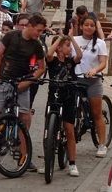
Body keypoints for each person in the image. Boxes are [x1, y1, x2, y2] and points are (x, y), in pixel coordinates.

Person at [0, 12, 46, 172]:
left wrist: (28, 81)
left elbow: (41, 68)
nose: (40, 34)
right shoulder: (11, 36)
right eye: (39, 30)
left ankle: (24, 156)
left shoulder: (36, 44)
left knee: (25, 118)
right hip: (4, 80)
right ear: (30, 26)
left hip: (22, 83)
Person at [44, 34, 83, 177]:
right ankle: (47, 162)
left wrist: (71, 39)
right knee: (48, 130)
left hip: (68, 96)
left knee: (69, 129)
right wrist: (60, 39)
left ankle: (72, 163)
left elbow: (79, 55)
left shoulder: (70, 62)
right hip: (54, 96)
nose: (70, 48)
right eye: (67, 46)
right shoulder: (52, 61)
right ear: (59, 48)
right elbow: (49, 54)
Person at [74, 15, 109, 157]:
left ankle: (102, 144)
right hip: (77, 79)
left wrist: (95, 70)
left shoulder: (100, 43)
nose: (89, 27)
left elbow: (103, 62)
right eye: (86, 25)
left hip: (93, 80)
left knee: (96, 113)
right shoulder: (75, 40)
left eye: (92, 25)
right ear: (81, 26)